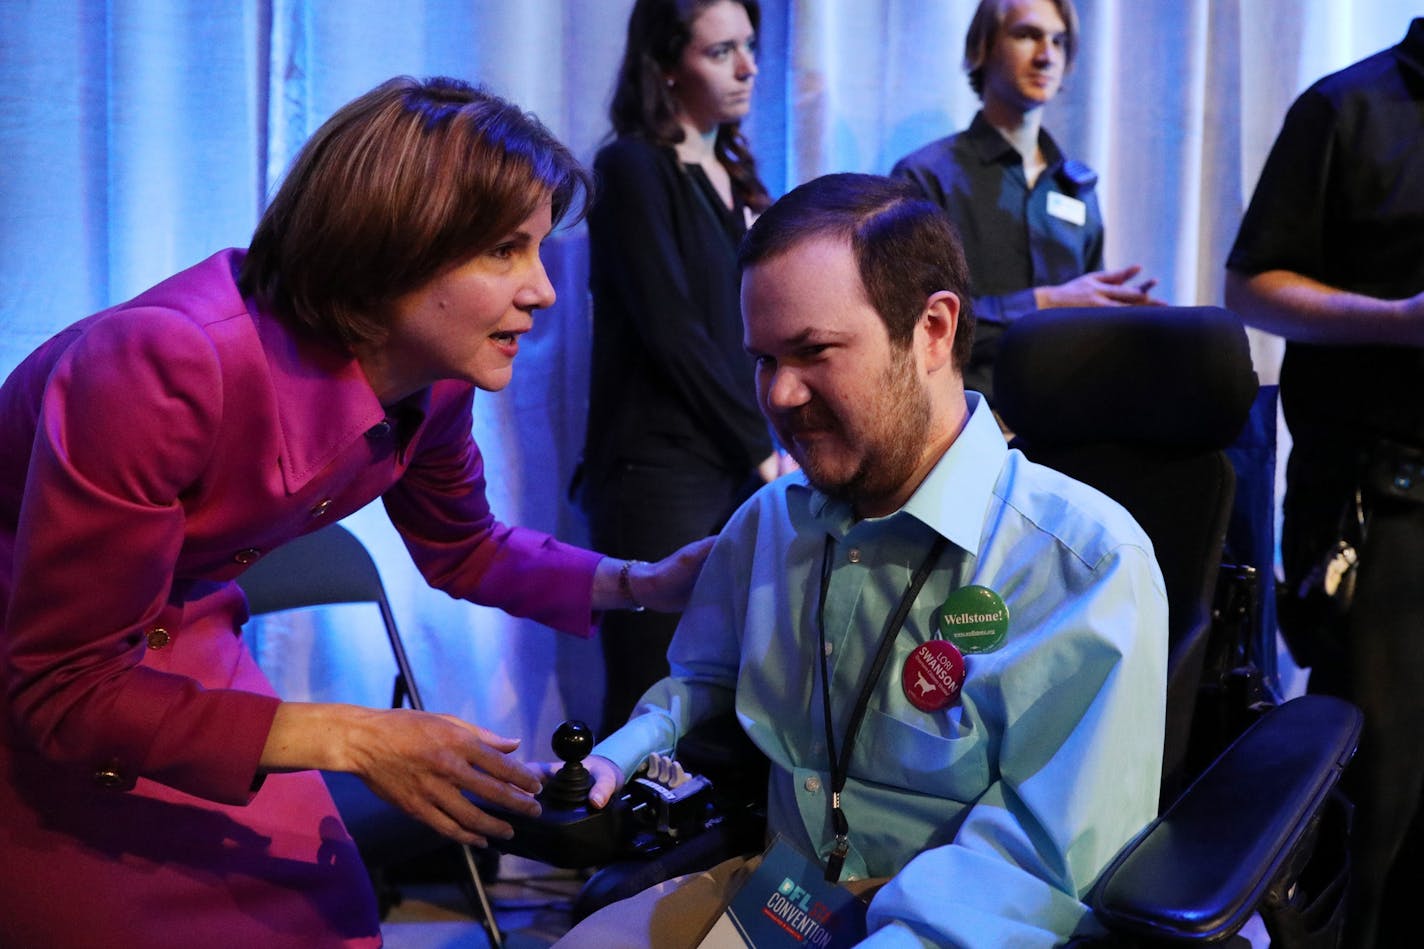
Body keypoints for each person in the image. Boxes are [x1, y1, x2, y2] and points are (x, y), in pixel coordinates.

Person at [0, 76, 712, 948]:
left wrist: (645, 581)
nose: (544, 290)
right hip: (39, 661)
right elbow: (61, 685)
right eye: (503, 251)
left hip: (175, 636)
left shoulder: (432, 379)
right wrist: (354, 735)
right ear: (390, 246)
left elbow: (465, 549)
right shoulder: (161, 363)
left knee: (325, 913)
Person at [558, 173, 1168, 948]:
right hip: (791, 896)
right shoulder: (770, 524)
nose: (778, 394)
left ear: (934, 331)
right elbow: (704, 681)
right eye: (764, 359)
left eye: (813, 351)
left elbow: (1030, 870)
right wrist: (619, 755)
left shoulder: (1085, 564)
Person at [1224, 19, 1424, 948]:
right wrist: (1400, 321)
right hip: (1383, 511)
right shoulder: (1347, 108)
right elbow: (1250, 287)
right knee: (1378, 804)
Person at [575, 0, 782, 737]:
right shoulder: (630, 166)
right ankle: (626, 847)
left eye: (749, 47)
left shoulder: (734, 173)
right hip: (659, 472)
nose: (749, 67)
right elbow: (672, 332)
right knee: (652, 690)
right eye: (721, 51)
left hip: (732, 461)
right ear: (666, 66)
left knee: (728, 689)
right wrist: (761, 447)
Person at [891, 0, 1159, 403]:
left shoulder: (1076, 187)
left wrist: (1120, 321)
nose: (1046, 55)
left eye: (1058, 41)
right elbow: (907, 327)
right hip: (966, 423)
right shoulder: (925, 176)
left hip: (1068, 424)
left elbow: (1087, 321)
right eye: (1027, 35)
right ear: (983, 47)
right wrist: (1044, 303)